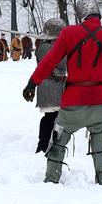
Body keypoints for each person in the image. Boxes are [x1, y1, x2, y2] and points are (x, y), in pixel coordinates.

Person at [22, 0, 102, 186]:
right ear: (99, 16)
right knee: (100, 143)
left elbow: (48, 63)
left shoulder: (69, 33)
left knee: (58, 140)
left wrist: (32, 83)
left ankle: (51, 179)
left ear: (81, 16)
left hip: (73, 103)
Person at [33, 18, 67, 153]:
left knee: (55, 116)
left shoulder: (53, 45)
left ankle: (49, 142)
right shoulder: (46, 47)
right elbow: (60, 64)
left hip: (56, 85)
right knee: (50, 117)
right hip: (48, 85)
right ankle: (43, 145)